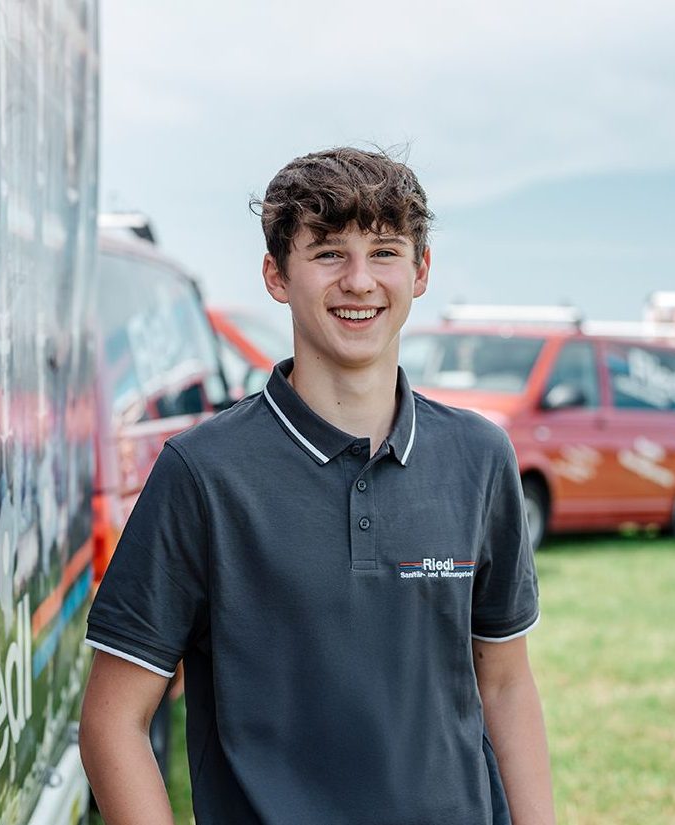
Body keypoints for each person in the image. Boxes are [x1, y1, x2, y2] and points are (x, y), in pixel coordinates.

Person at [79, 147, 555, 825]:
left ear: (420, 272)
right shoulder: (203, 473)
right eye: (329, 253)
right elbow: (112, 721)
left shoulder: (478, 457)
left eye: (385, 252)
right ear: (276, 274)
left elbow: (506, 685)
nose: (360, 281)